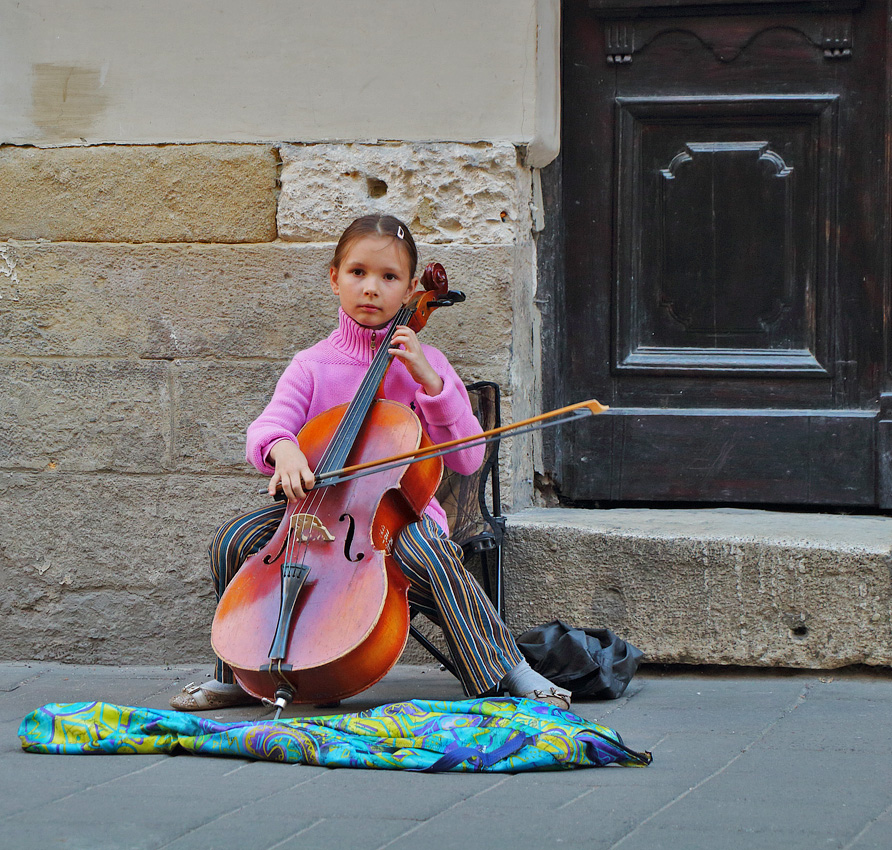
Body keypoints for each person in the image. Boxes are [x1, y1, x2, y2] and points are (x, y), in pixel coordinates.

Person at [170, 214, 571, 712]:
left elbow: (468, 459)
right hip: (311, 512)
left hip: (398, 517)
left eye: (389, 277)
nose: (371, 288)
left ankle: (508, 670)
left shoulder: (427, 366)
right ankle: (237, 673)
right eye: (358, 272)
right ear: (334, 277)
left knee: (432, 558)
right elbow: (267, 428)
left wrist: (430, 382)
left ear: (408, 292)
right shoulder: (311, 364)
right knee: (234, 541)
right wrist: (285, 449)